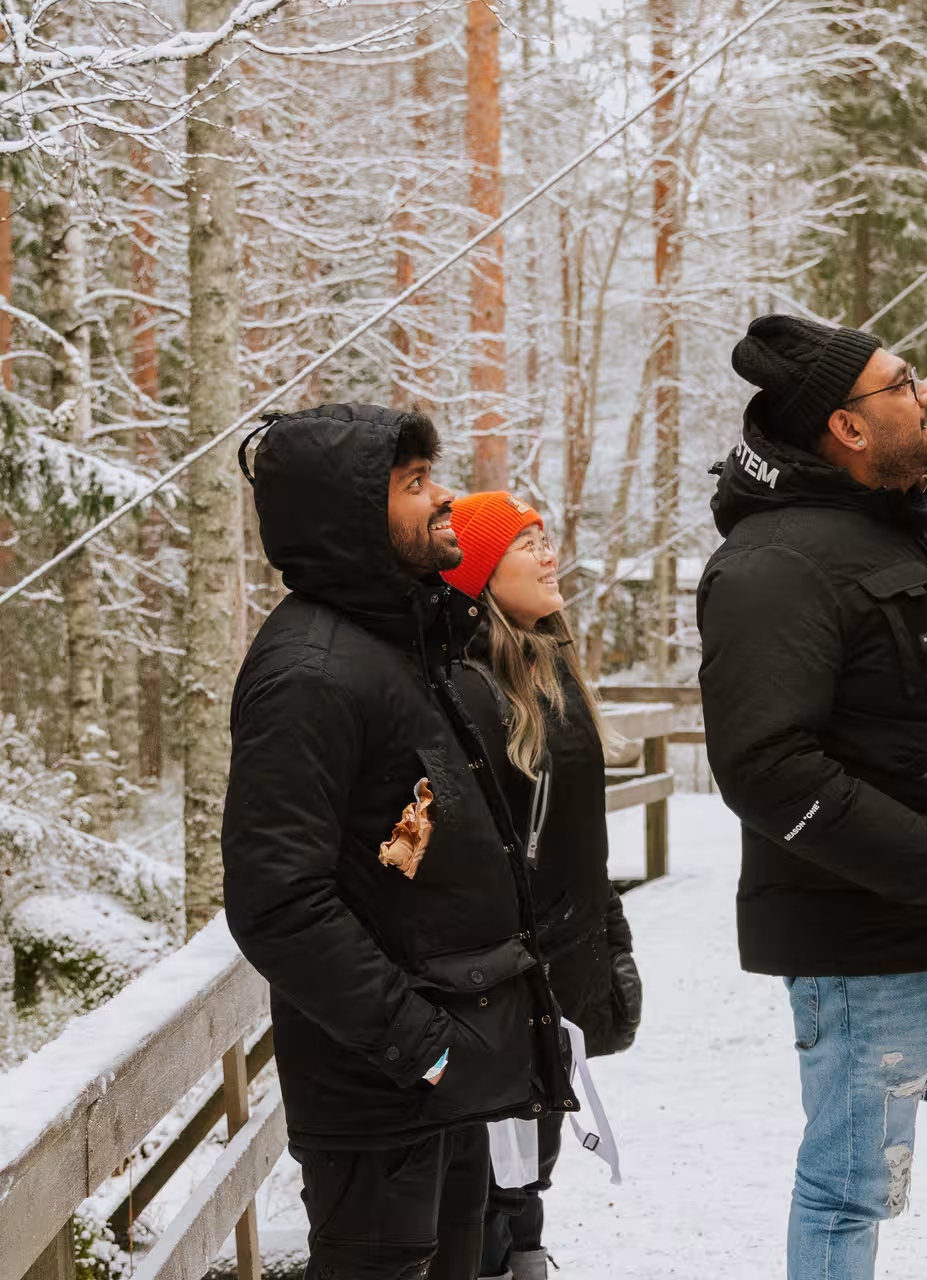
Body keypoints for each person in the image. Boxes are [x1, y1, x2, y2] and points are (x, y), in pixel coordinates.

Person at [697, 314, 927, 1280]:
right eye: (905, 381)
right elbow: (766, 765)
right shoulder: (775, 565)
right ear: (848, 427)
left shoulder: (905, 537)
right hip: (868, 948)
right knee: (854, 1190)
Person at [222, 405, 576, 1280]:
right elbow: (278, 903)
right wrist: (426, 1048)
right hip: (380, 1100)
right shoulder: (310, 671)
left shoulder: (409, 647)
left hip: (445, 1085)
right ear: (351, 518)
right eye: (416, 484)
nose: (445, 496)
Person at [438, 492, 643, 1280]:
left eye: (546, 536)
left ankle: (525, 1257)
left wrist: (606, 938)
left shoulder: (548, 667)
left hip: (559, 965)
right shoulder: (471, 685)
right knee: (493, 1173)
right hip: (509, 977)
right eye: (526, 542)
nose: (549, 553)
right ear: (484, 570)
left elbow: (577, 842)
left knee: (531, 1162)